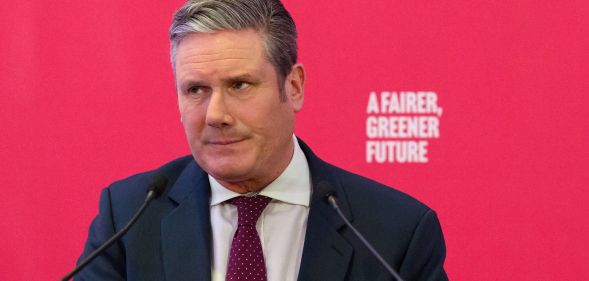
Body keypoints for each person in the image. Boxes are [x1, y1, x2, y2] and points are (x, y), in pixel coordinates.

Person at [75, 0, 449, 280]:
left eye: (240, 85)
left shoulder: (395, 232)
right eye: (195, 89)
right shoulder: (128, 218)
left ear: (294, 86)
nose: (215, 114)